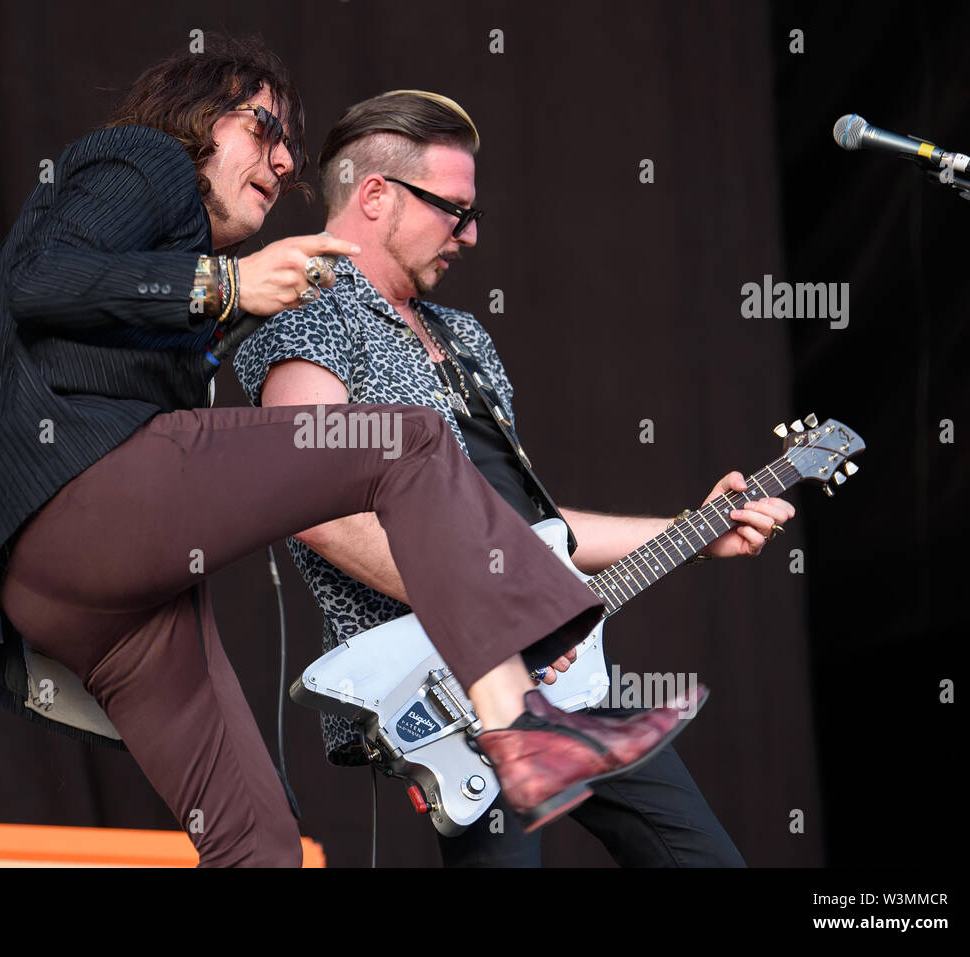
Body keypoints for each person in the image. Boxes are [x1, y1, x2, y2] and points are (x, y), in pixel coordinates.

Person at [0, 38, 696, 868]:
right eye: (264, 128)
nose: (285, 162)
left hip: (87, 600)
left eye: (290, 146)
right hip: (75, 496)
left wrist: (219, 299)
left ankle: (522, 719)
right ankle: (523, 722)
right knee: (402, 437)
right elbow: (38, 279)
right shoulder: (143, 160)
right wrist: (230, 287)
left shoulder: (187, 267)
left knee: (260, 843)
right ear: (197, 116)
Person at [234, 90, 796, 867]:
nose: (469, 234)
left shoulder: (464, 335)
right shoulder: (310, 316)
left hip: (555, 671)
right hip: (443, 683)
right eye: (452, 209)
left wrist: (696, 530)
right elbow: (313, 506)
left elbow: (534, 530)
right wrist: (502, 612)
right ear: (374, 196)